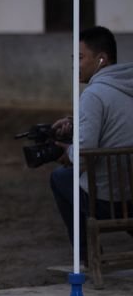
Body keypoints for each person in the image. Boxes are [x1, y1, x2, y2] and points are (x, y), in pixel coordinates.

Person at [49, 26, 133, 262]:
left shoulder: (94, 94)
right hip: (131, 195)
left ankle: (86, 256)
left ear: (101, 59)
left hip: (110, 201)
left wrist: (68, 151)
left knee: (60, 178)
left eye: (81, 57)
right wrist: (75, 123)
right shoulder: (126, 85)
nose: (76, 64)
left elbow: (84, 157)